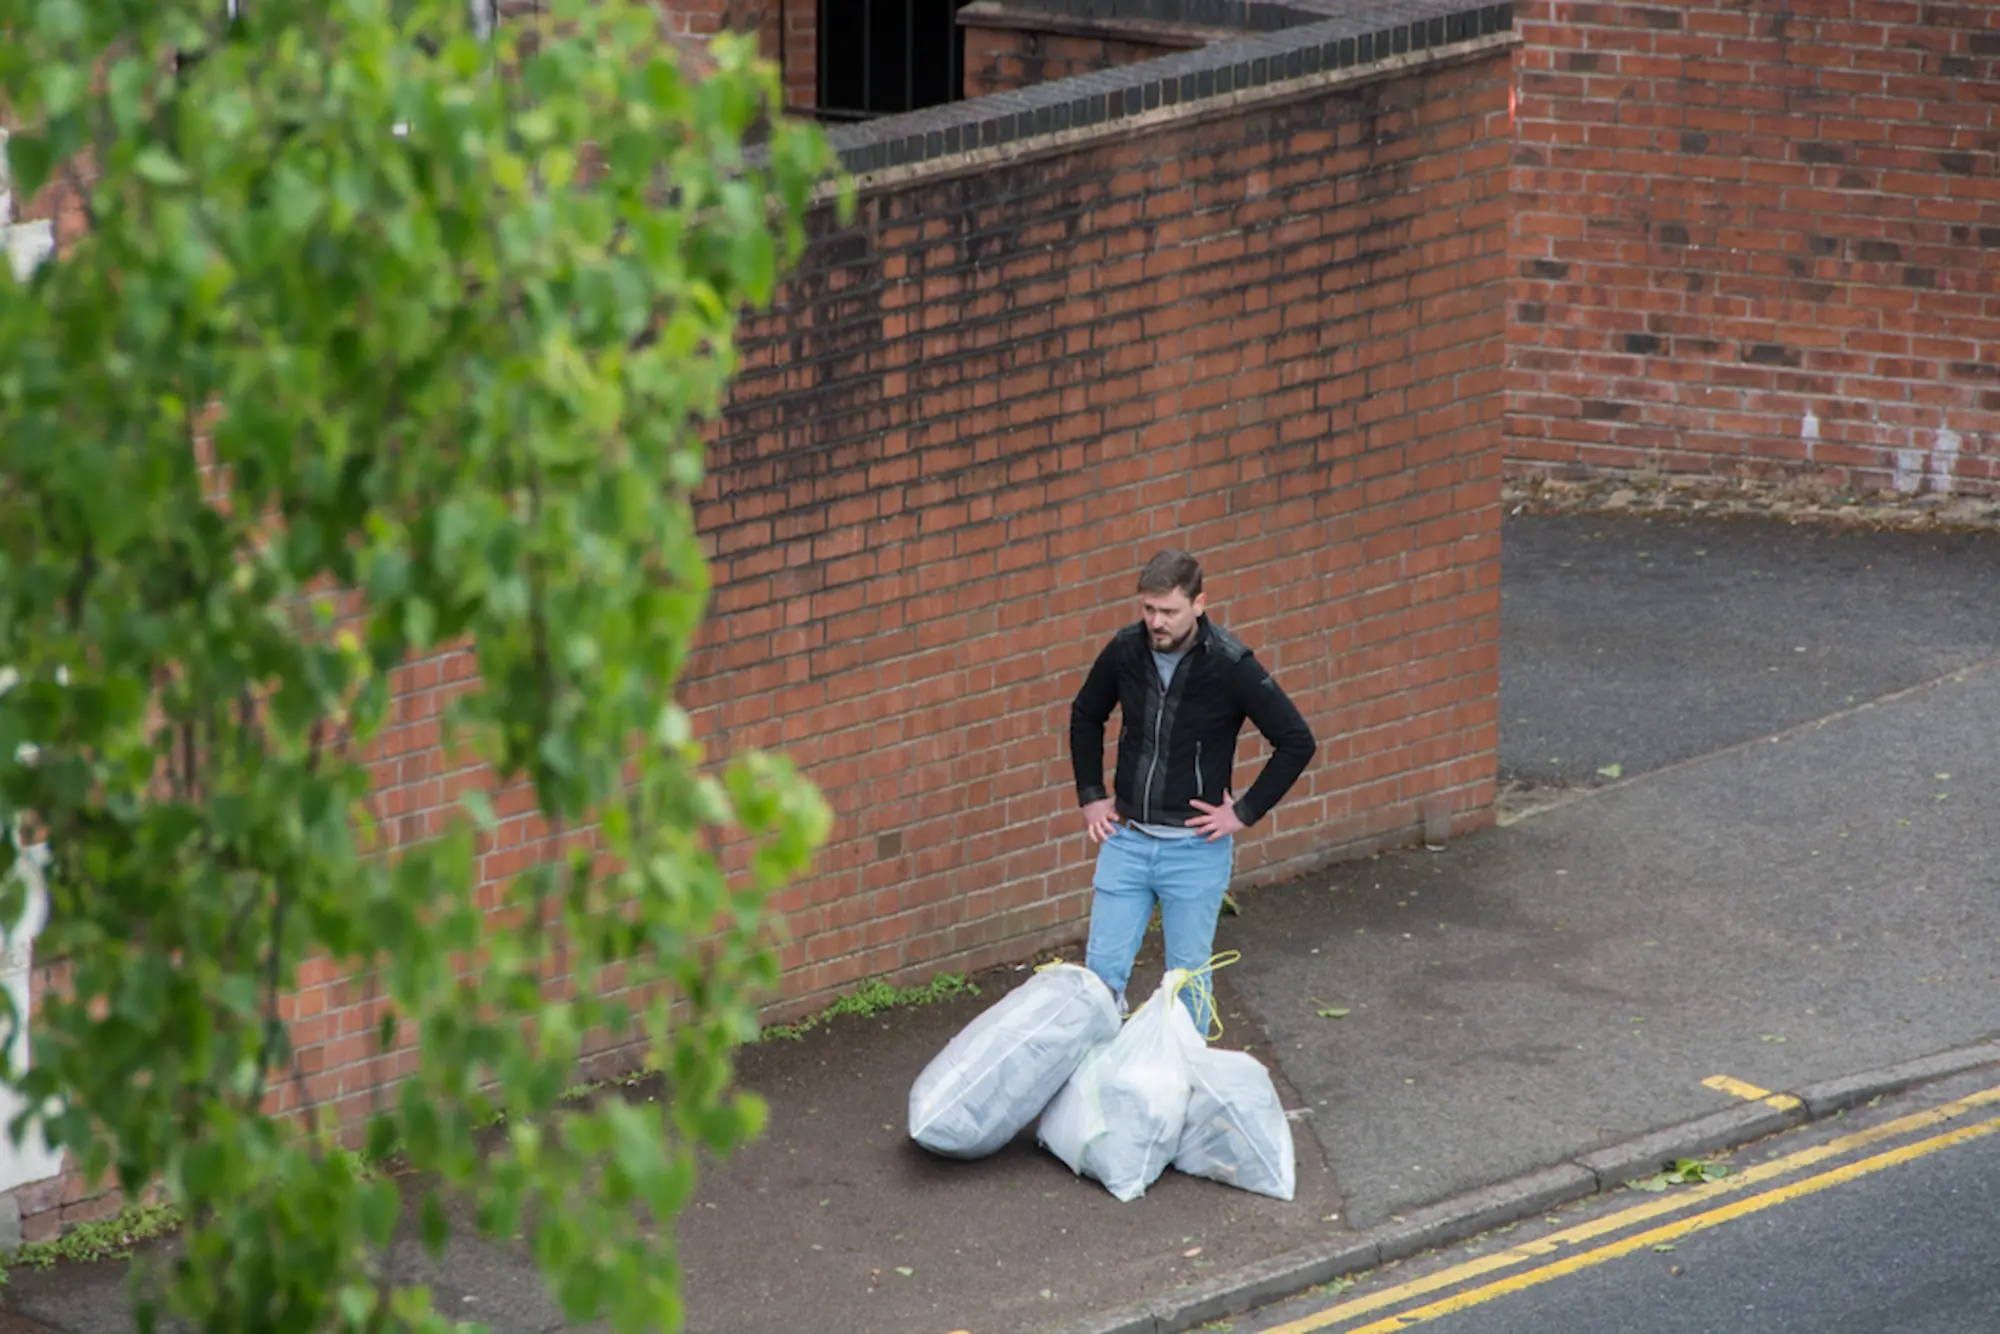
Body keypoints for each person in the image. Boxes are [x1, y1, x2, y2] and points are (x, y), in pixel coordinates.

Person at [1068, 549, 1317, 1030]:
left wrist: (1242, 813)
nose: (1155, 622)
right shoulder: (1125, 650)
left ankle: (1184, 1091)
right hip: (1128, 841)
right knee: (1099, 982)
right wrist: (1091, 795)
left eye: (1168, 611)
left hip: (1195, 851)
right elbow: (1085, 714)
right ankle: (1095, 1093)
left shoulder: (1229, 664)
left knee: (1186, 984)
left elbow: (1296, 741)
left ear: (1199, 604)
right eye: (1148, 610)